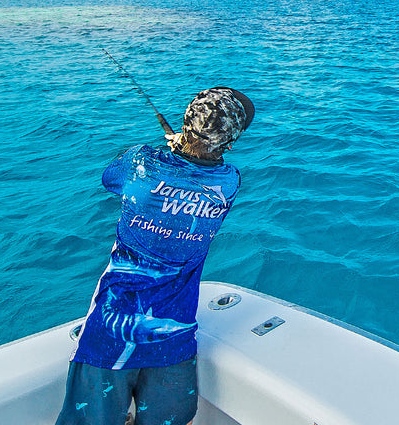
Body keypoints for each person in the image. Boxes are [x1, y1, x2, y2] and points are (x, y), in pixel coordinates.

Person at [55, 87, 255, 425]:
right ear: (230, 143)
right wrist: (186, 151)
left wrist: (170, 149)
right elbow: (200, 172)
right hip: (173, 340)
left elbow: (110, 179)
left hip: (109, 334)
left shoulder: (140, 161)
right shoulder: (228, 183)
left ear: (187, 121)